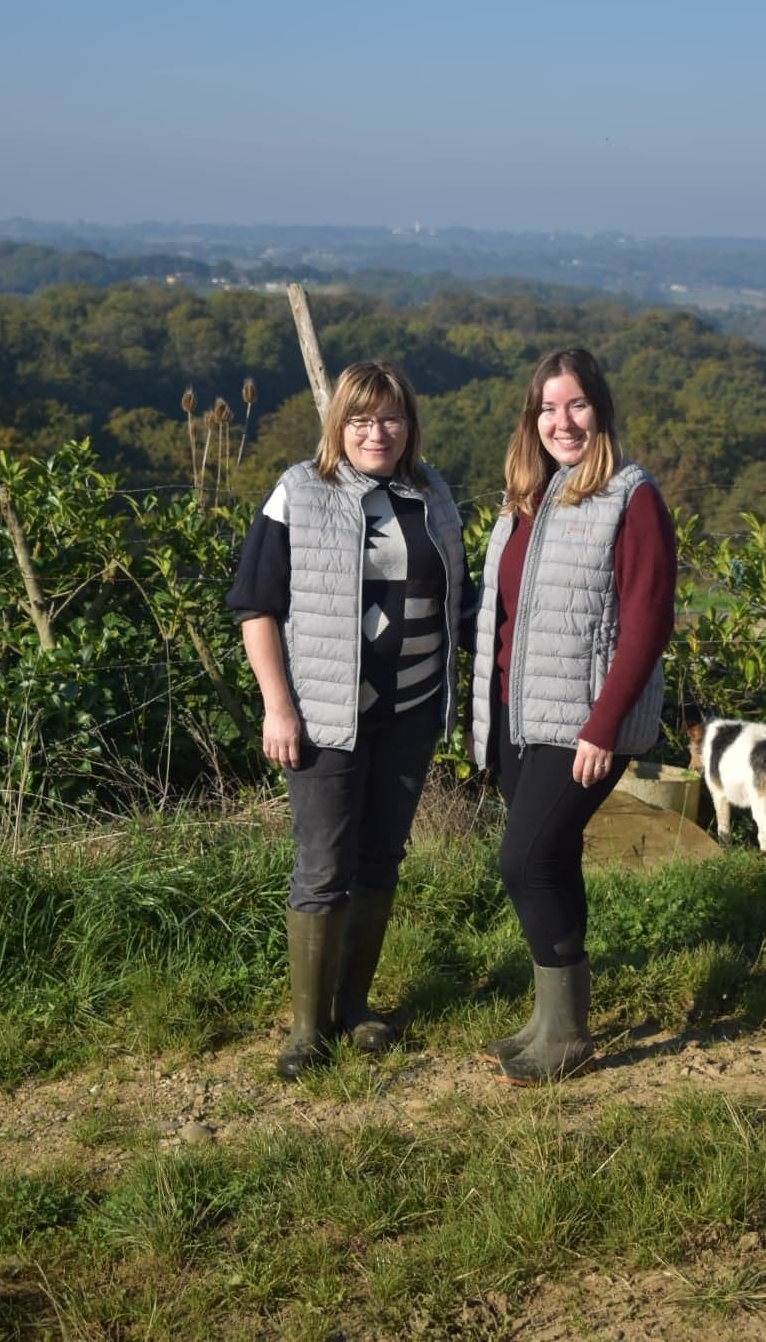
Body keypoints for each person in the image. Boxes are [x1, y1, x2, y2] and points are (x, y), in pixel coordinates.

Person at [227, 359, 475, 1081]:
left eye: (391, 418)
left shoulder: (432, 493)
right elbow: (257, 605)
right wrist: (279, 706)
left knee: (380, 859)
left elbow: (459, 600)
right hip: (326, 719)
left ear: (410, 425)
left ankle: (356, 1005)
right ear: (339, 423)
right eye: (362, 419)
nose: (377, 432)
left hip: (412, 712)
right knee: (323, 867)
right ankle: (308, 1029)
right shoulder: (299, 491)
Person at [470, 348, 676, 1086]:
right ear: (533, 419)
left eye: (577, 406)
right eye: (548, 408)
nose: (562, 421)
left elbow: (648, 620)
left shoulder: (631, 495)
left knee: (522, 859)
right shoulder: (529, 494)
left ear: (602, 411)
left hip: (582, 721)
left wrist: (603, 724)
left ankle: (570, 1034)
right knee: (549, 860)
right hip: (517, 717)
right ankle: (550, 1020)